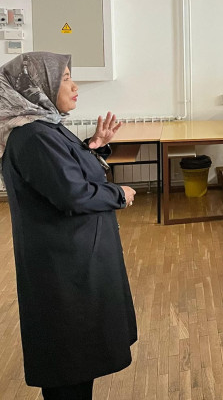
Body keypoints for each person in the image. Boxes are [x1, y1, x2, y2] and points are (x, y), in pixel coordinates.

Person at [0, 52, 137, 399]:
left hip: (73, 260)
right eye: (64, 79)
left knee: (80, 355)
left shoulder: (45, 128)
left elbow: (67, 175)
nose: (74, 86)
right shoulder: (33, 136)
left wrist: (94, 146)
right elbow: (73, 195)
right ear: (36, 88)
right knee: (68, 358)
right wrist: (118, 194)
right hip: (63, 268)